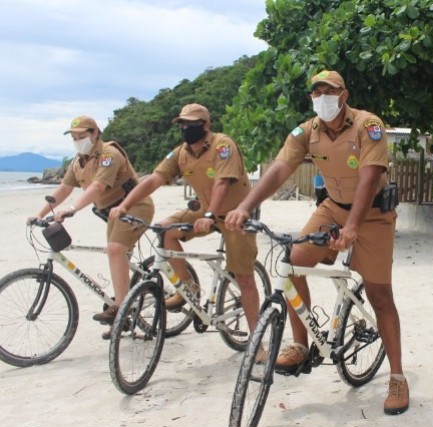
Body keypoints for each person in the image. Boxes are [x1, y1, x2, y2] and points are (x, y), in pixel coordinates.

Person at [224, 70, 409, 415]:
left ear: (344, 95)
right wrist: (245, 206)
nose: (321, 96)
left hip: (372, 214)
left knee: (380, 295)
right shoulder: (306, 132)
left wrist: (353, 227)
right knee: (292, 262)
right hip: (331, 208)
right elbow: (280, 168)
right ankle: (300, 344)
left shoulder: (368, 125)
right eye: (316, 91)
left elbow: (370, 178)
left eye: (329, 91)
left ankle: (397, 376)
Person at [108, 103, 261, 333]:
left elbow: (222, 182)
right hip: (204, 211)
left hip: (236, 215)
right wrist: (124, 205)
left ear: (206, 124)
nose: (186, 128)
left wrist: (210, 215)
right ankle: (187, 289)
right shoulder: (181, 153)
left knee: (244, 278)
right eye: (183, 124)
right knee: (166, 230)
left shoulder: (222, 145)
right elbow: (154, 179)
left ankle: (256, 340)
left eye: (192, 124)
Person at [29, 115, 154, 339]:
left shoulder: (109, 154)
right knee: (117, 255)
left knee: (115, 250)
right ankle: (123, 311)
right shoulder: (78, 162)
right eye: (74, 137)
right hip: (112, 214)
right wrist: (39, 214)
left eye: (82, 136)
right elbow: (63, 189)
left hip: (135, 207)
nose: (78, 140)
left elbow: (97, 187)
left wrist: (73, 209)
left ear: (95, 133)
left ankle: (120, 309)